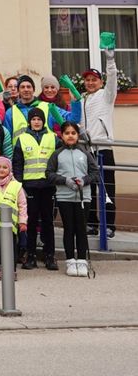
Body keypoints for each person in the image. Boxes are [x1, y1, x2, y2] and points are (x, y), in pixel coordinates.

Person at [47, 121, 98, 277]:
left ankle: (82, 261)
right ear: (62, 136)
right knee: (69, 228)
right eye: (67, 133)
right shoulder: (57, 154)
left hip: (84, 197)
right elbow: (49, 174)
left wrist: (84, 180)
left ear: (77, 136)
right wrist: (65, 180)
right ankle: (70, 261)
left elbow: (95, 173)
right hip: (64, 197)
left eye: (73, 133)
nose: (70, 136)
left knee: (81, 229)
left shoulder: (85, 153)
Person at [11, 106, 58, 271]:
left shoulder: (53, 138)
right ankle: (30, 256)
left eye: (39, 119)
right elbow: (17, 163)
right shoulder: (22, 139)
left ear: (43, 121)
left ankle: (49, 256)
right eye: (33, 119)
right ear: (29, 121)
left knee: (47, 222)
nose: (36, 122)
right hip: (29, 187)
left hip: (48, 186)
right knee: (30, 222)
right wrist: (19, 184)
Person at [78, 47, 117, 237]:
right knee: (89, 188)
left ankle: (109, 225)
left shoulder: (106, 96)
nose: (91, 83)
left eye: (94, 80)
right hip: (86, 150)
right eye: (88, 80)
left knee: (107, 188)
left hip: (102, 149)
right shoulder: (82, 99)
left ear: (100, 82)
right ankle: (92, 223)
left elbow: (112, 79)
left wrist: (110, 60)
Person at [0, 155, 28, 282]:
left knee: (12, 247)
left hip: (12, 224)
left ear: (10, 169)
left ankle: (11, 270)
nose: (1, 170)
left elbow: (22, 204)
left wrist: (22, 221)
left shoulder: (16, 186)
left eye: (5, 167)